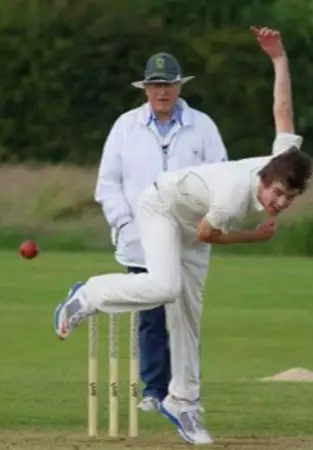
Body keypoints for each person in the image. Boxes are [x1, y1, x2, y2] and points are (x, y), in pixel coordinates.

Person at [54, 26, 312, 445]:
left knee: (188, 318)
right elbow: (208, 233)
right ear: (264, 179)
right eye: (276, 193)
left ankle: (184, 403)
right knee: (165, 287)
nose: (280, 202)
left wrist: (279, 59)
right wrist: (255, 236)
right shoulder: (232, 199)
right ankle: (88, 295)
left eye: (289, 198)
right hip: (162, 207)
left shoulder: (281, 159)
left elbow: (282, 109)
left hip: (195, 219)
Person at [95, 50, 228, 412]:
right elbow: (107, 183)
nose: (162, 92)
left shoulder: (203, 127)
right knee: (151, 316)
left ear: (179, 86)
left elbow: (222, 176)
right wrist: (124, 222)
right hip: (141, 238)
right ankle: (154, 390)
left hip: (189, 237)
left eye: (168, 84)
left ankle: (182, 393)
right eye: (155, 85)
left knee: (184, 316)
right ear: (145, 90)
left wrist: (209, 220)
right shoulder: (126, 126)